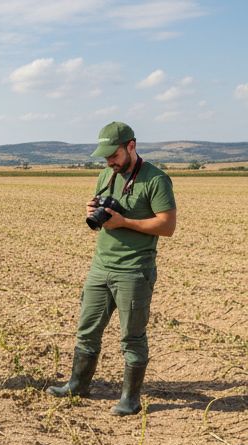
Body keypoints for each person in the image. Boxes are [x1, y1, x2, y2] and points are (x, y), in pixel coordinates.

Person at [46, 122, 176, 416]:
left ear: (131, 145)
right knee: (86, 330)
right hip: (100, 266)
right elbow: (101, 217)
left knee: (132, 336)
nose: (109, 162)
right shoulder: (107, 174)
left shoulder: (156, 179)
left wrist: (125, 222)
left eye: (113, 155)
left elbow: (167, 226)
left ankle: (130, 398)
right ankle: (78, 385)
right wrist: (93, 211)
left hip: (134, 270)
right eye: (105, 157)